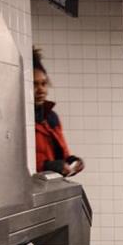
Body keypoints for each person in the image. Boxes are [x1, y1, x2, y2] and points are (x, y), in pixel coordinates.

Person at [33, 48, 84, 176]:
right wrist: (47, 166)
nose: (41, 90)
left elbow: (62, 154)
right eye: (35, 84)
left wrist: (71, 162)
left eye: (43, 84)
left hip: (52, 185)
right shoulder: (23, 119)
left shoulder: (51, 118)